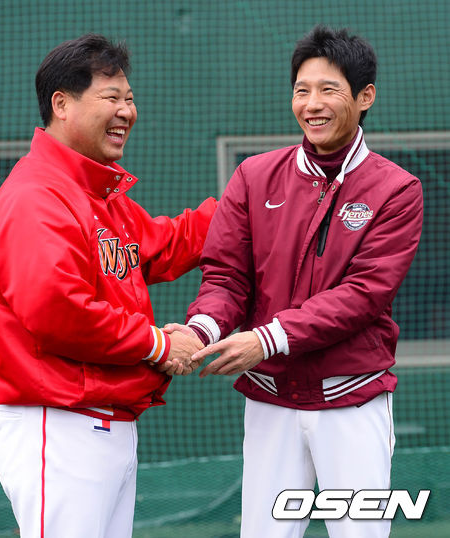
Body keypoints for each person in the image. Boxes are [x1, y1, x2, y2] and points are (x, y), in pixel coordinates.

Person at [164, 25, 423, 537]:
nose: (312, 104)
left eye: (329, 89)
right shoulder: (253, 176)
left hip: (351, 399)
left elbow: (363, 295)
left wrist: (265, 340)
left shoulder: (397, 189)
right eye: (302, 90)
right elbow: (226, 277)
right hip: (271, 400)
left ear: (365, 96)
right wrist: (200, 331)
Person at [0, 34, 213, 538]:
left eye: (130, 98)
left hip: (102, 424)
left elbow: (166, 246)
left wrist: (247, 204)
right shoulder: (36, 194)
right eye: (111, 97)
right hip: (58, 425)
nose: (127, 111)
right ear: (62, 104)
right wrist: (159, 344)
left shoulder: (97, 194)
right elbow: (57, 310)